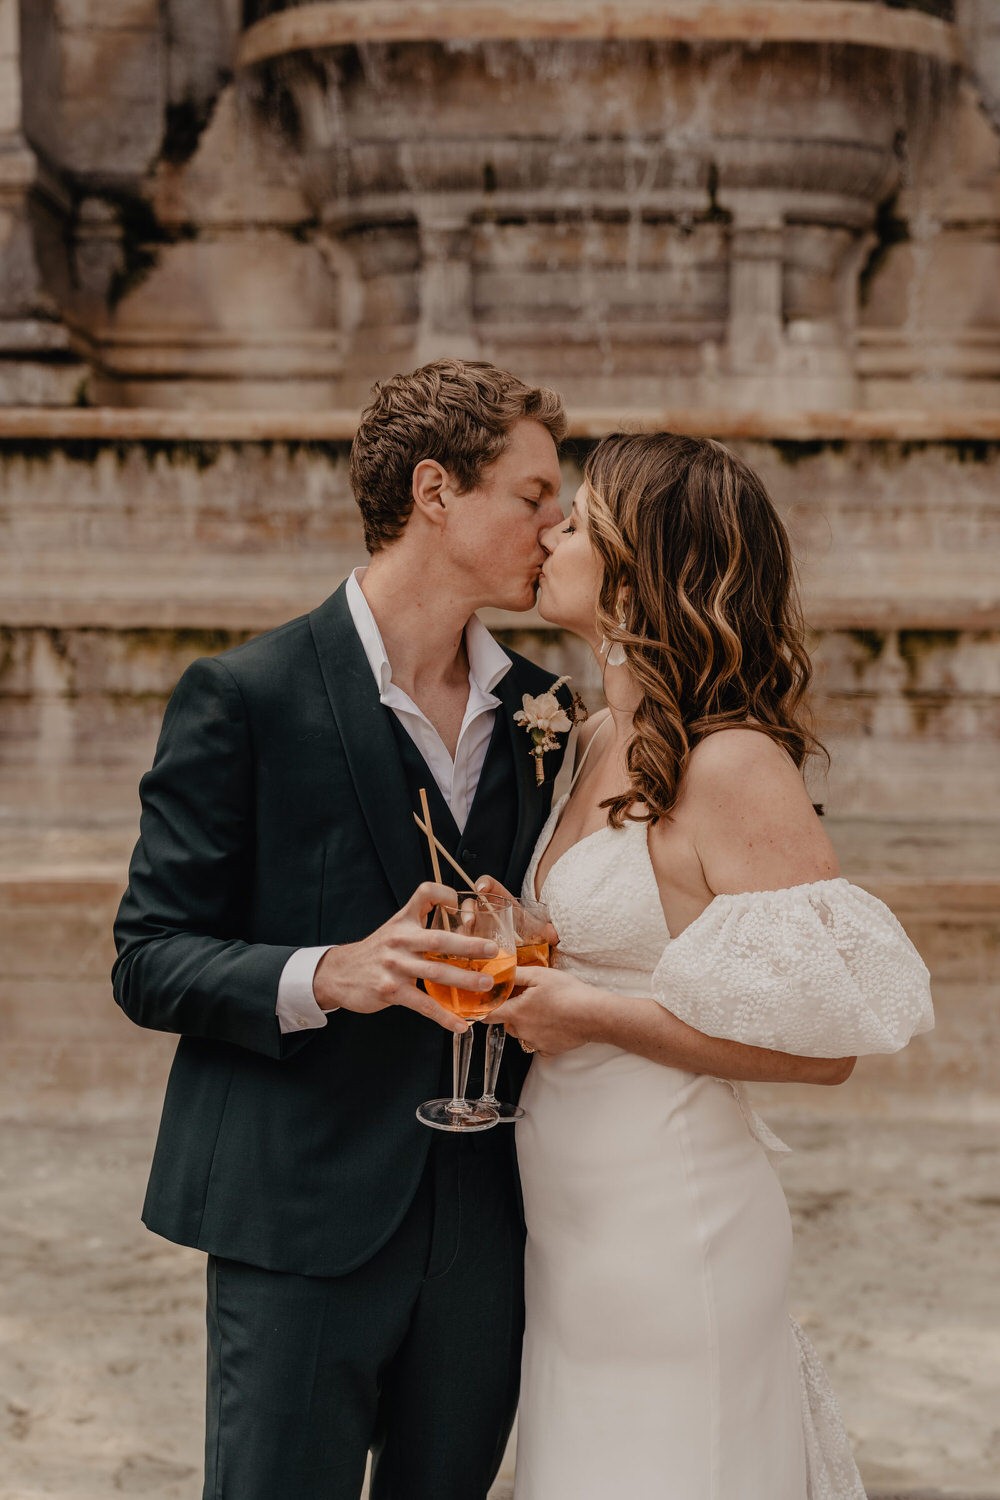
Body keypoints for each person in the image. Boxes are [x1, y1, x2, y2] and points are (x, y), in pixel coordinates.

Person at [111, 359, 577, 1500]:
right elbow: (149, 955)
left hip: (488, 1223)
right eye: (531, 496)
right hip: (297, 1214)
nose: (556, 526)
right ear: (434, 491)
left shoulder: (546, 709)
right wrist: (331, 973)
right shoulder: (245, 694)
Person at [486, 432, 934, 1500]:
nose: (549, 531)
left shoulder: (733, 764)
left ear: (639, 573)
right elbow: (630, 935)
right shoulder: (596, 734)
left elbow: (825, 1055)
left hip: (672, 1212)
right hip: (568, 1215)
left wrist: (588, 1013)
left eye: (578, 525)